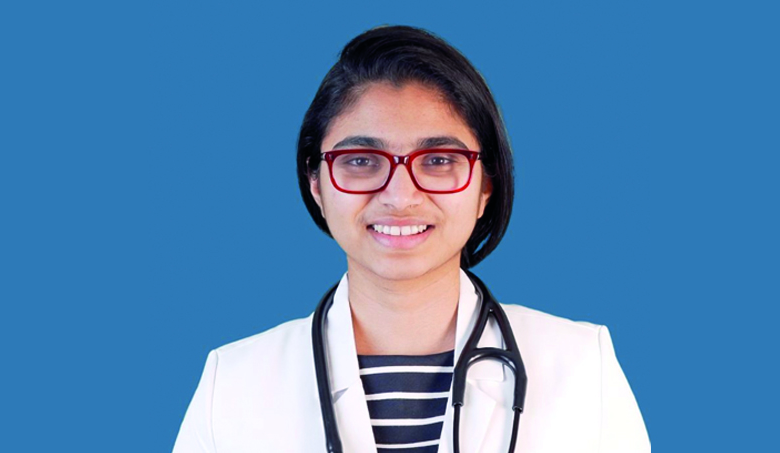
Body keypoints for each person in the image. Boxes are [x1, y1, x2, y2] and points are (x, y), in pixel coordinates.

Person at [172, 25, 651, 453]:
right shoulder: (232, 385)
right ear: (316, 183)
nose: (400, 197)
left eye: (439, 160)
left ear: (486, 185)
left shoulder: (583, 369)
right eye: (361, 161)